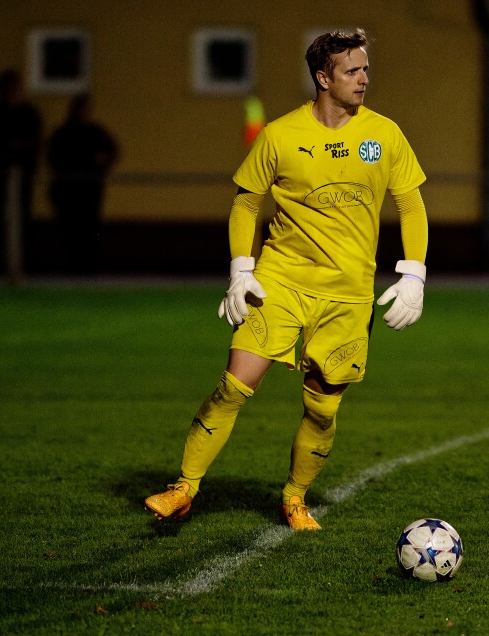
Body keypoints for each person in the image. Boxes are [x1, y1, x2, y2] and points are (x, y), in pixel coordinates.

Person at [145, 29, 429, 531]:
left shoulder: (385, 134)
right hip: (281, 282)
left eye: (365, 69)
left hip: (347, 294)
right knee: (235, 384)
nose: (365, 78)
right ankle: (183, 489)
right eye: (352, 71)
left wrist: (415, 274)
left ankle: (294, 499)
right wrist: (241, 270)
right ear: (324, 77)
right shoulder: (280, 134)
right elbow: (246, 200)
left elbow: (409, 203)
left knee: (321, 407)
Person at [0, 69, 42, 274]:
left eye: (14, 88)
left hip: (22, 178)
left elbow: (36, 143)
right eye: (7, 88)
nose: (11, 92)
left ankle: (24, 266)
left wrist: (18, 148)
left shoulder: (29, 114)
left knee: (22, 221)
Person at [47, 93, 119, 274]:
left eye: (86, 109)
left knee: (90, 228)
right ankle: (72, 265)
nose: (83, 113)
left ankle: (90, 266)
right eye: (80, 109)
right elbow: (54, 157)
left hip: (91, 190)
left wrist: (103, 161)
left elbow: (112, 152)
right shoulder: (64, 133)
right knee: (70, 229)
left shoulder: (96, 132)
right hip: (68, 190)